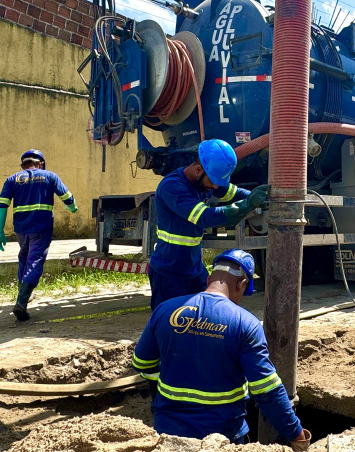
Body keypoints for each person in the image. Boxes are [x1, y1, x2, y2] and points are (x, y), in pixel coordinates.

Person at [132, 249, 311, 450]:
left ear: (209, 279)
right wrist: (295, 433)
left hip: (169, 434)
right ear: (241, 285)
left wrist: (171, 384)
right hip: (222, 439)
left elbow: (142, 363)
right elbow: (266, 390)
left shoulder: (165, 309)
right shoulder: (246, 324)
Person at [148, 139, 269, 310]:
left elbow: (234, 193)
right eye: (213, 181)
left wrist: (257, 197)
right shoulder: (172, 187)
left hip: (194, 270)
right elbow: (205, 217)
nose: (215, 186)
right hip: (169, 273)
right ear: (198, 170)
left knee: (201, 318)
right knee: (166, 325)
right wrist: (246, 206)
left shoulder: (205, 181)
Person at [0, 149, 78, 321]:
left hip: (21, 229)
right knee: (35, 260)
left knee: (24, 259)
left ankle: (23, 294)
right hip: (41, 227)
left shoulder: (12, 179)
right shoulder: (50, 176)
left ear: (22, 165)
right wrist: (73, 208)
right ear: (41, 163)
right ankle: (21, 302)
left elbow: (1, 205)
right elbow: (67, 198)